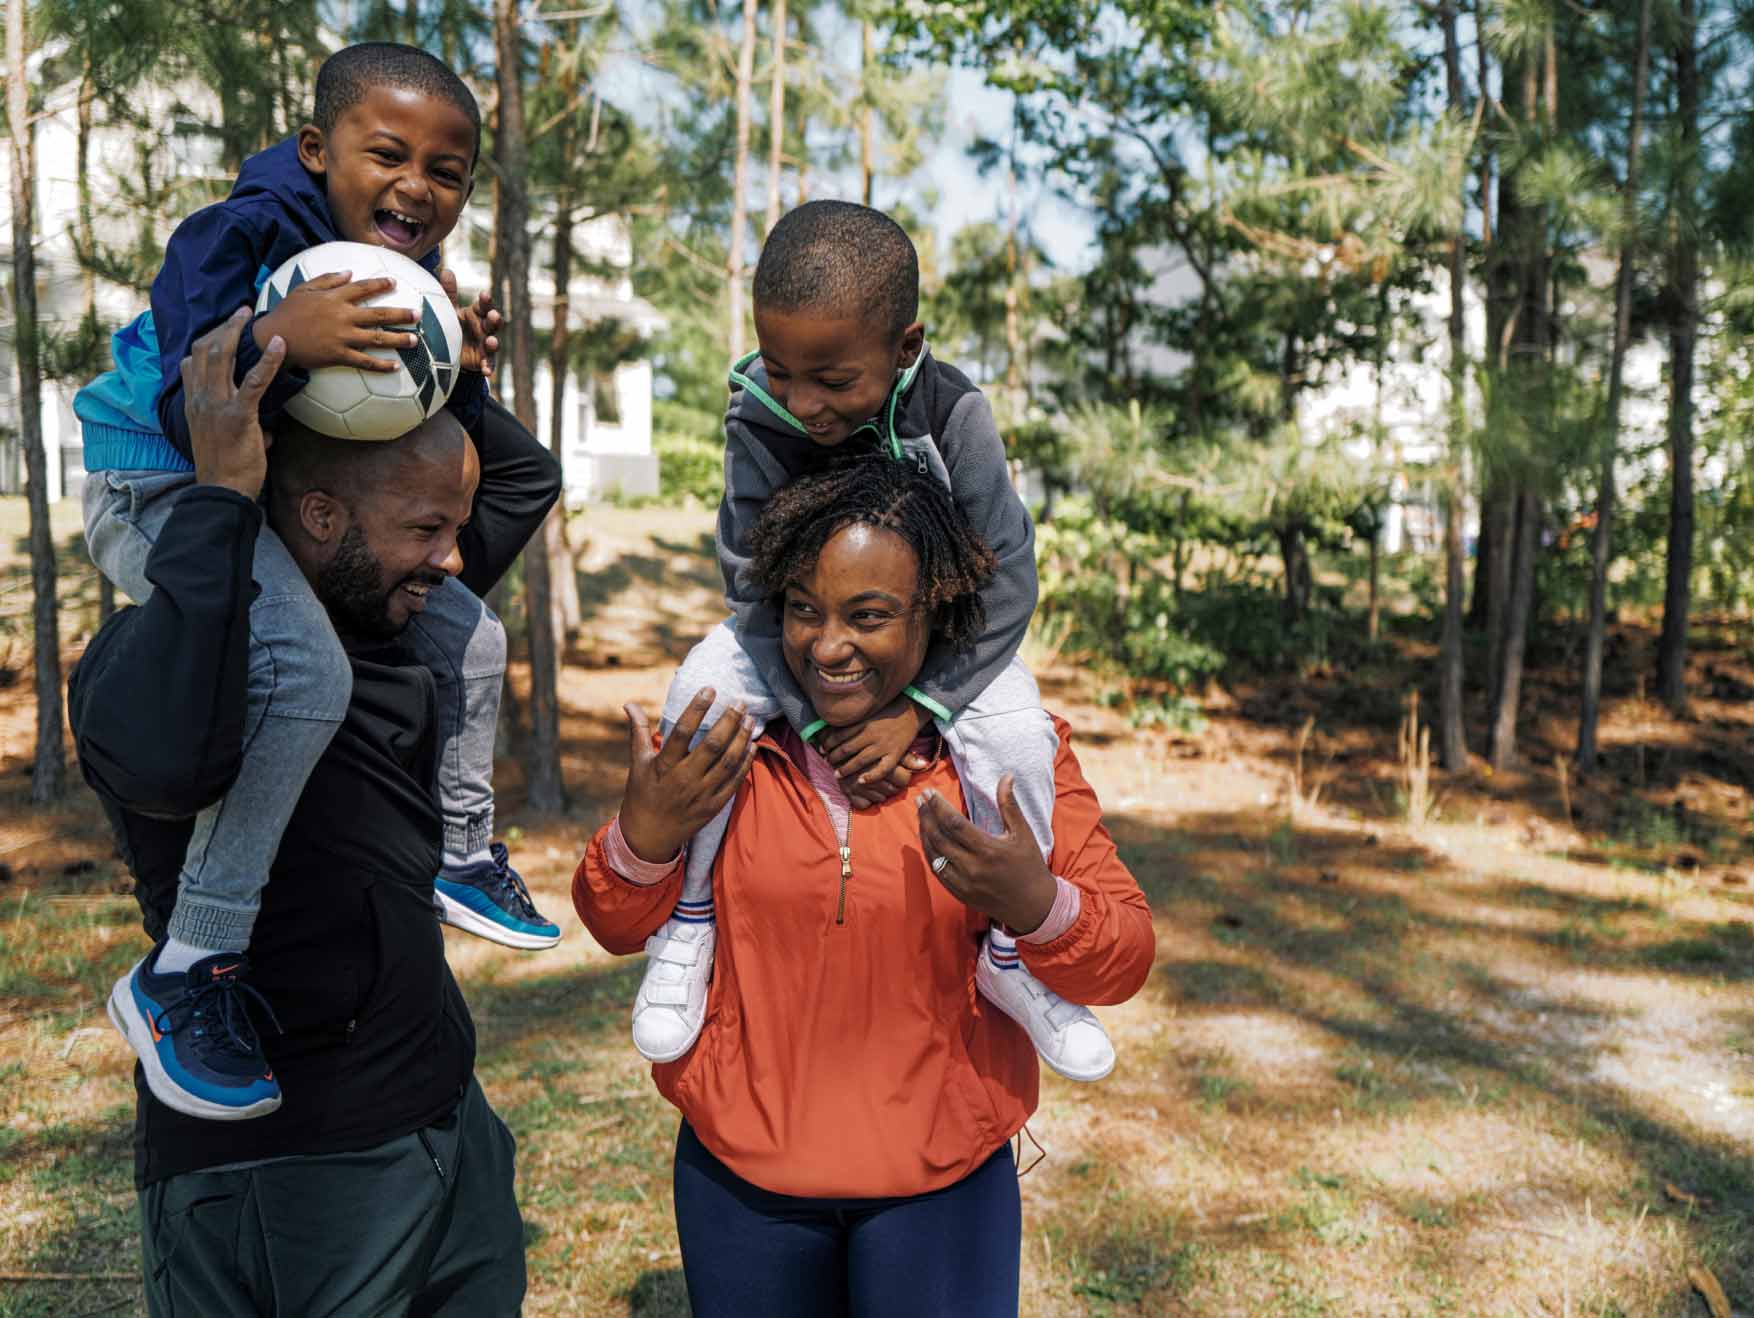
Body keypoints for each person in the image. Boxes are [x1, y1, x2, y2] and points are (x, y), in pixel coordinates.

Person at [73, 42, 562, 1124]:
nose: (416, 187)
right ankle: (186, 964)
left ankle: (464, 850)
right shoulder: (237, 234)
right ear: (313, 150)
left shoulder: (392, 269)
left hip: (264, 491)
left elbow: (418, 435)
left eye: (446, 173)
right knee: (302, 673)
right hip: (157, 487)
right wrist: (273, 339)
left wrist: (450, 357)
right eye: (387, 154)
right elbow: (185, 405)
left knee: (469, 636)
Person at [574, 457, 1155, 1316]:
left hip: (940, 1190)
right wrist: (645, 840)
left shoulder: (1006, 759)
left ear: (940, 613)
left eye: (869, 615)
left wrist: (1035, 906)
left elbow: (1124, 957)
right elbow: (617, 924)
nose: (827, 645)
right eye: (804, 610)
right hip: (742, 1184)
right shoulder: (733, 741)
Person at [70, 312, 533, 1316]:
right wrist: (220, 501)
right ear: (321, 518)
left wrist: (453, 375)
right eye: (424, 532)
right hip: (281, 1176)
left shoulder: (396, 623)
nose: (451, 562)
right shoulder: (167, 669)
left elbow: (520, 483)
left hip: (445, 1132)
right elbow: (169, 753)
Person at [628, 199, 1118, 1084]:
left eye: (832, 380)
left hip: (948, 645)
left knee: (1015, 738)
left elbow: (1009, 574)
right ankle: (688, 922)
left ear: (904, 347)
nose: (804, 403)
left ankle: (1012, 957)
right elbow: (748, 576)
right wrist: (809, 720)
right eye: (782, 371)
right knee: (697, 696)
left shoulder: (953, 411)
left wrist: (923, 707)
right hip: (794, 635)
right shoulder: (757, 415)